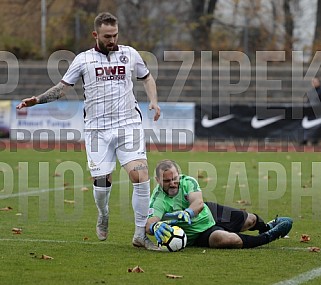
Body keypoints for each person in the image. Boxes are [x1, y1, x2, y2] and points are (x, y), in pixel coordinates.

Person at [16, 12, 161, 251]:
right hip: (97, 130)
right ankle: (103, 213)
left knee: (141, 177)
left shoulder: (130, 54)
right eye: (107, 36)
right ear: (96, 35)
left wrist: (154, 100)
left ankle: (139, 235)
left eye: (115, 35)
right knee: (103, 181)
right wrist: (37, 100)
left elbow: (147, 78)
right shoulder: (83, 60)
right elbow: (62, 89)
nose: (112, 39)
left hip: (128, 125)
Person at [146, 159, 293, 249]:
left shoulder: (187, 181)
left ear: (179, 174)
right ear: (158, 180)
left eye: (175, 178)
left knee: (251, 220)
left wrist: (188, 213)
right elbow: (150, 222)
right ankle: (269, 236)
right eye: (167, 181)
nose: (172, 183)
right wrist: (154, 226)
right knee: (226, 239)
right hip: (198, 234)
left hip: (210, 212)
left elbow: (198, 203)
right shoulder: (158, 198)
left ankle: (266, 226)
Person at [301, 77, 321, 145]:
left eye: (315, 82)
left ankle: (315, 140)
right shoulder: (311, 91)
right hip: (311, 112)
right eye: (313, 82)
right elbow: (308, 102)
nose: (314, 83)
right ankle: (306, 139)